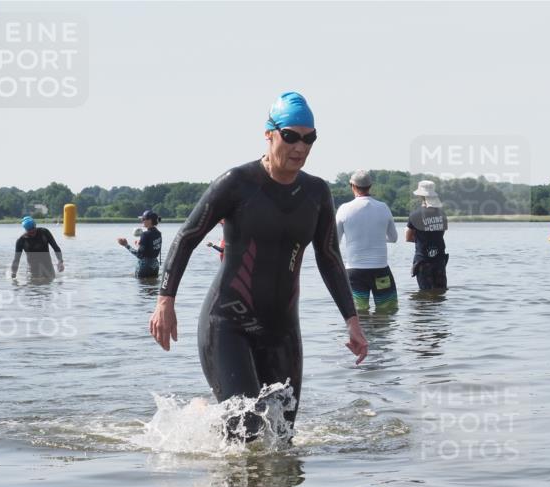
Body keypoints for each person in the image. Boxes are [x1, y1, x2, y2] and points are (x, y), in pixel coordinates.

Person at [148, 91, 367, 441]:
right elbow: (187, 237)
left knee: (280, 437)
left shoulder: (316, 193)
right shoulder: (237, 183)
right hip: (227, 323)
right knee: (246, 429)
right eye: (291, 136)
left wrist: (352, 322)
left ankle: (210, 417)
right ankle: (205, 415)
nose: (300, 146)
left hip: (281, 329)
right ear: (269, 134)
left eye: (309, 138)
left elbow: (329, 258)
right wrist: (165, 302)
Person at [335, 170, 398, 312]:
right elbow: (394, 238)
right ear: (370, 186)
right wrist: (378, 238)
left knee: (358, 313)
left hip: (354, 272)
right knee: (387, 311)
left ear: (352, 185)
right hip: (380, 271)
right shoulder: (383, 208)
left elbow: (334, 242)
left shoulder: (344, 209)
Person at [406, 180, 449, 291]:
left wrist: (420, 240)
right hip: (440, 260)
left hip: (423, 261)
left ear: (421, 196)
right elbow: (441, 234)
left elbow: (408, 238)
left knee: (425, 294)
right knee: (440, 293)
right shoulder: (442, 214)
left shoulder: (414, 215)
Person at [118, 210, 162, 278]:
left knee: (141, 286)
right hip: (155, 265)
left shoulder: (145, 234)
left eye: (143, 219)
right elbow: (152, 249)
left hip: (145, 266)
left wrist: (126, 245)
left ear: (150, 220)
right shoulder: (158, 233)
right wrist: (139, 245)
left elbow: (139, 255)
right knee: (153, 286)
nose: (142, 221)